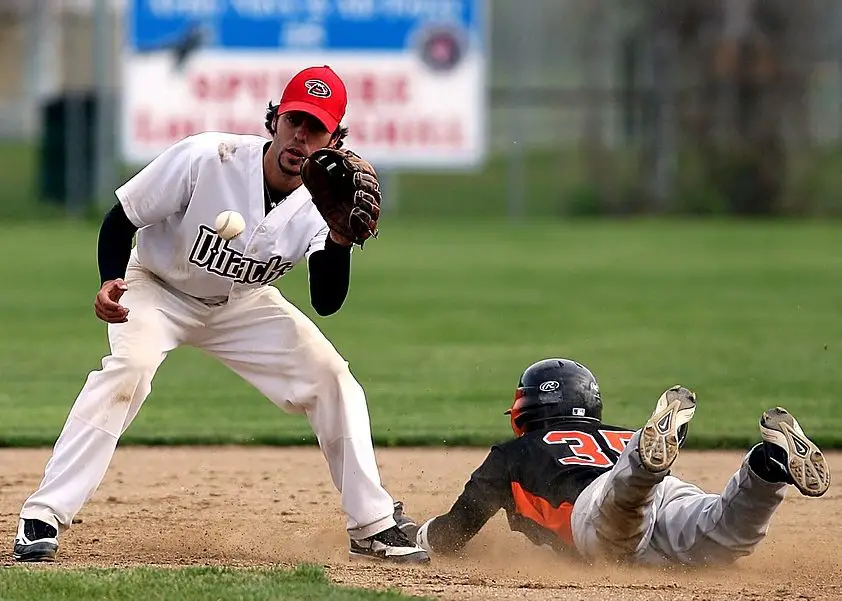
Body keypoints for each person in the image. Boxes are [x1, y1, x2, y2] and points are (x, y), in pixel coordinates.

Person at [13, 65, 429, 565]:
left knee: (332, 378)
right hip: (156, 286)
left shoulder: (325, 201)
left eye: (315, 127)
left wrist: (340, 240)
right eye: (294, 119)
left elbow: (326, 301)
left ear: (334, 138)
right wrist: (108, 278)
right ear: (274, 119)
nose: (300, 135)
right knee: (129, 371)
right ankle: (43, 515)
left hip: (241, 305)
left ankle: (372, 524)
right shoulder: (209, 157)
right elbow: (121, 219)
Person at [396, 358, 830, 565]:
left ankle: (642, 467)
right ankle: (766, 467)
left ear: (525, 408)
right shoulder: (611, 433)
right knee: (721, 536)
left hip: (598, 504)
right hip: (666, 490)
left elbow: (455, 533)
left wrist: (420, 534)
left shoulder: (513, 454)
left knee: (619, 526)